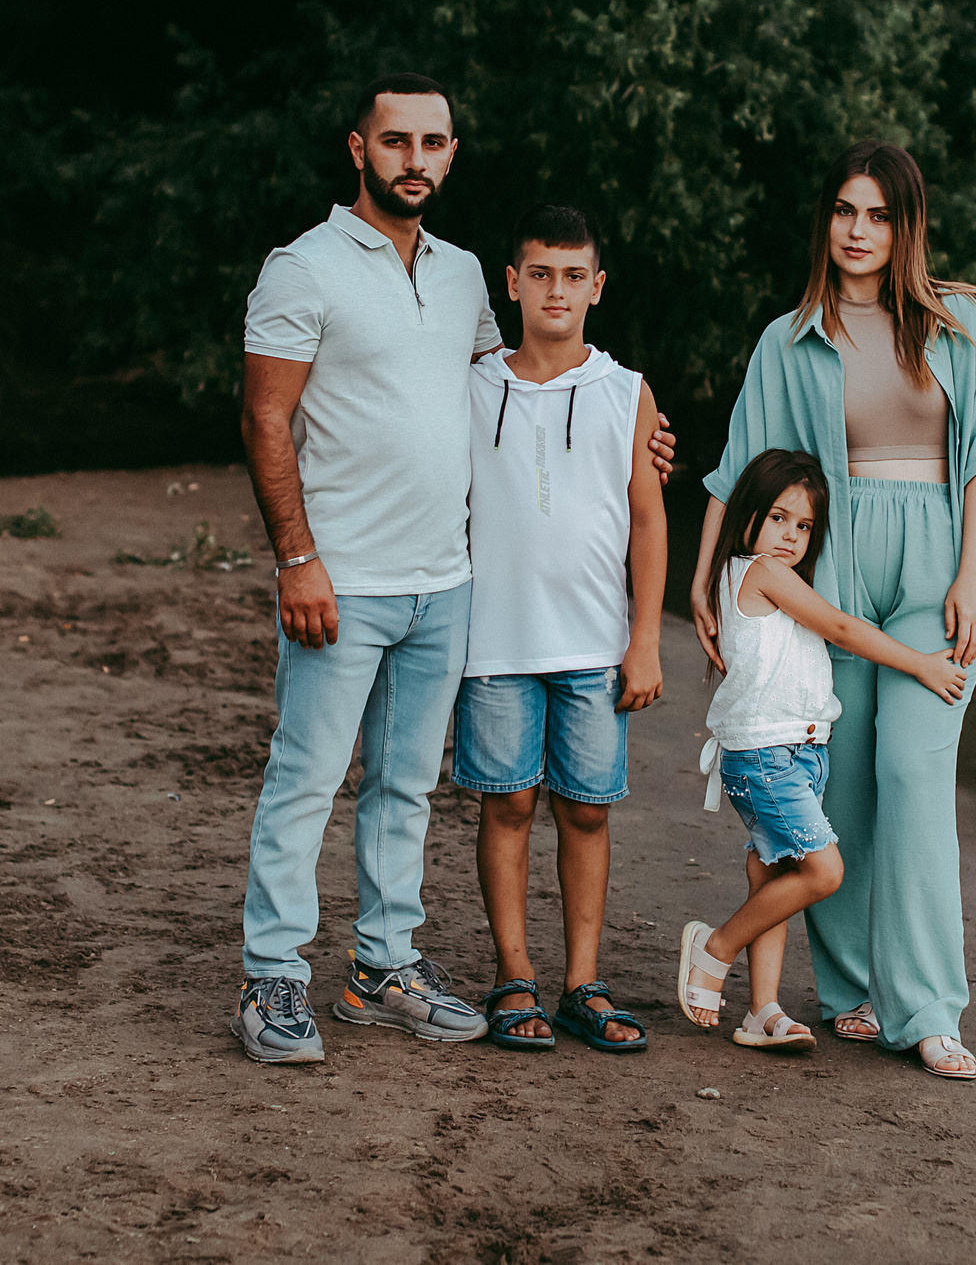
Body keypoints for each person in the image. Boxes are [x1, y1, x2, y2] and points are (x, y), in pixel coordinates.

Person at [232, 75, 676, 1065]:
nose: (415, 159)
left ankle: (382, 968)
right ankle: (272, 977)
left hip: (446, 585)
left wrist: (636, 441)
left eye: (432, 142)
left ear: (451, 154)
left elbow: (505, 389)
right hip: (341, 578)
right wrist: (297, 558)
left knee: (404, 789)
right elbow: (265, 416)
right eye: (396, 140)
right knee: (306, 779)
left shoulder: (466, 273)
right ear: (360, 149)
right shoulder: (302, 268)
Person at [687, 140, 976, 1081]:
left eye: (878, 214)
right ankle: (850, 990)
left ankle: (930, 1008)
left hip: (934, 568)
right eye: (844, 210)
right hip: (830, 576)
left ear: (906, 225)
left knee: (914, 770)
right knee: (840, 783)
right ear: (826, 221)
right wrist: (704, 582)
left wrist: (974, 575)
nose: (858, 230)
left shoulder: (956, 325)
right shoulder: (788, 339)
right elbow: (736, 470)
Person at [455, 205, 665, 1054]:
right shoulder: (472, 385)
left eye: (574, 276)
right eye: (540, 273)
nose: (556, 290)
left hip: (594, 644)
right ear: (512, 282)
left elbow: (647, 521)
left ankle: (582, 982)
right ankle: (514, 974)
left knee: (585, 811)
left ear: (597, 287)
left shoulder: (626, 390)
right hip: (496, 640)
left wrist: (645, 639)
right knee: (507, 802)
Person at [675, 449, 970, 1052]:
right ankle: (715, 947)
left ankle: (763, 1012)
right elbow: (841, 628)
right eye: (778, 518)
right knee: (823, 870)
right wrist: (919, 664)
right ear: (748, 514)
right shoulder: (761, 571)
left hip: (797, 752)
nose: (791, 536)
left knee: (776, 871)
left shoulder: (755, 576)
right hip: (768, 756)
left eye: (805, 526)